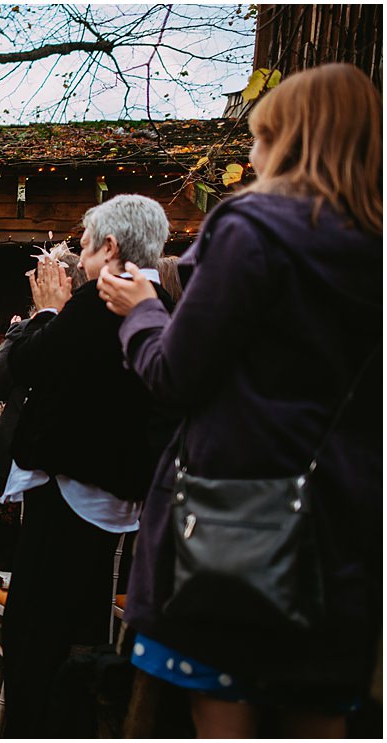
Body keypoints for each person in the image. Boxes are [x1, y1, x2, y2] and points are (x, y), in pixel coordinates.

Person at [98, 63, 381, 738]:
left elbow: (173, 371)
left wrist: (139, 311)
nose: (252, 157)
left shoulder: (252, 226)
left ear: (287, 140)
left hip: (233, 525)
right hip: (346, 536)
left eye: (258, 140)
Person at [1, 194, 176, 737]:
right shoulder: (162, 306)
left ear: (109, 246)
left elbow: (22, 369)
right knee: (83, 628)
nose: (77, 258)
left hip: (69, 493)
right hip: (116, 499)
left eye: (82, 245)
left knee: (34, 635)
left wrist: (49, 311)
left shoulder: (101, 298)